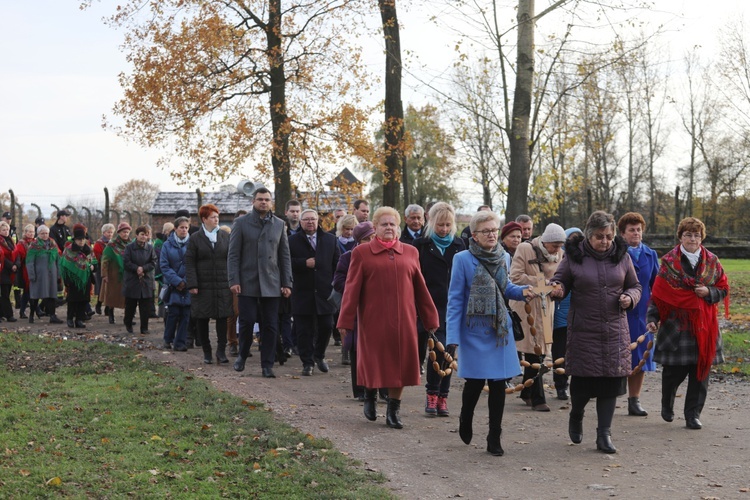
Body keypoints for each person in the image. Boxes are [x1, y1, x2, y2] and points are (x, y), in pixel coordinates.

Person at [337, 207, 439, 429]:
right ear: (375, 228)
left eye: (393, 224)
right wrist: (345, 321)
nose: (389, 228)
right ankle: (370, 395)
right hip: (373, 320)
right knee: (374, 362)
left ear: (398, 228)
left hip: (404, 321)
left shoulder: (411, 253)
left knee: (400, 366)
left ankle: (394, 409)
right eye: (384, 224)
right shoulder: (361, 253)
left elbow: (420, 288)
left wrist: (430, 318)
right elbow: (351, 289)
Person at [550, 211, 641, 454]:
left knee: (610, 383)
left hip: (614, 330)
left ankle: (604, 435)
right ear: (589, 235)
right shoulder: (574, 257)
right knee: (582, 384)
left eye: (609, 236)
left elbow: (635, 286)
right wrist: (557, 289)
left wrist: (629, 298)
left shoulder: (622, 257)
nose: (605, 241)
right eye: (600, 237)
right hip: (584, 330)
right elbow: (560, 281)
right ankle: (576, 415)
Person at [446, 210, 532, 456]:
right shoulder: (462, 259)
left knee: (498, 386)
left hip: (498, 331)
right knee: (473, 384)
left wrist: (527, 290)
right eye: (487, 231)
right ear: (474, 235)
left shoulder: (504, 257)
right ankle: (466, 417)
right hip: (473, 331)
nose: (492, 235)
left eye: (495, 230)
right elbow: (454, 300)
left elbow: (506, 288)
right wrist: (452, 337)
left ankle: (495, 436)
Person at [646, 217, 729, 430]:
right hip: (677, 326)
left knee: (700, 374)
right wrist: (653, 319)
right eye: (688, 235)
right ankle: (667, 403)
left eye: (696, 235)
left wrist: (709, 292)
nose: (693, 239)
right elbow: (659, 295)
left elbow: (723, 289)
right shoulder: (668, 262)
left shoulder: (712, 261)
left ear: (701, 237)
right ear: (680, 236)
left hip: (705, 326)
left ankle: (693, 415)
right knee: (674, 372)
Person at [227, 187, 292, 378]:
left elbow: (284, 256)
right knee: (246, 322)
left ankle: (267, 364)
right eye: (260, 199)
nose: (263, 202)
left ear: (271, 202)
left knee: (271, 325)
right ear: (253, 202)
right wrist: (234, 279)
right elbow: (233, 255)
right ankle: (242, 356)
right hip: (247, 282)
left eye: (267, 199)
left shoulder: (279, 224)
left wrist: (287, 282)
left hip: (272, 282)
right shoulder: (241, 223)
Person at [413, 202, 465, 417]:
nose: (444, 229)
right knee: (436, 352)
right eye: (440, 225)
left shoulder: (460, 245)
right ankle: (432, 394)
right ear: (432, 223)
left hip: (453, 307)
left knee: (449, 353)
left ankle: (443, 396)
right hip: (429, 306)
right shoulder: (421, 245)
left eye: (447, 225)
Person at [510, 223, 566, 412]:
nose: (557, 249)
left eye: (560, 245)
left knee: (541, 350)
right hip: (526, 306)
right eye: (554, 245)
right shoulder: (525, 249)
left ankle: (527, 392)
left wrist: (557, 288)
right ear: (546, 241)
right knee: (533, 349)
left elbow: (560, 277)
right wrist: (542, 282)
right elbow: (515, 276)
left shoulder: (560, 254)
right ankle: (538, 397)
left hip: (546, 307)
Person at [618, 212, 660, 417]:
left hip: (643, 314)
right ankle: (608, 395)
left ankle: (634, 400)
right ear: (623, 234)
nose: (636, 233)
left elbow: (657, 286)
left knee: (640, 356)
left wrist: (656, 313)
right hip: (619, 312)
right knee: (617, 354)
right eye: (631, 230)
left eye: (639, 230)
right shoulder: (615, 253)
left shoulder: (650, 255)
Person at [289, 209, 340, 375]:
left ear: (318, 221)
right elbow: (285, 263)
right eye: (306, 220)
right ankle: (307, 362)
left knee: (327, 326)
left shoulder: (330, 240)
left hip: (325, 292)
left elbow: (337, 265)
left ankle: (319, 355)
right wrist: (303, 263)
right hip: (302, 292)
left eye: (313, 219)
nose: (310, 222)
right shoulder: (291, 240)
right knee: (304, 330)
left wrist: (336, 285)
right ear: (301, 222)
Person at [333, 221, 376, 400]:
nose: (371, 241)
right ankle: (359, 390)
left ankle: (381, 389)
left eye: (373, 237)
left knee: (377, 351)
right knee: (357, 350)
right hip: (357, 309)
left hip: (376, 309)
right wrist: (355, 289)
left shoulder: (381, 255)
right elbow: (338, 280)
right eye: (367, 238)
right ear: (359, 240)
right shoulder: (348, 257)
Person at [186, 205, 234, 364]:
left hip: (222, 284)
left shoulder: (225, 237)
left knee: (222, 318)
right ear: (204, 219)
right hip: (202, 286)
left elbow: (232, 260)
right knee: (202, 318)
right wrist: (192, 284)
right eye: (213, 217)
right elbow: (190, 263)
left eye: (217, 217)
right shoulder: (195, 238)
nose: (216, 220)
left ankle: (221, 351)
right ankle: (207, 351)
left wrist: (233, 280)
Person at [550, 227, 583, 400]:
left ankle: (580, 383)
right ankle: (560, 385)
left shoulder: (585, 259)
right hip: (561, 314)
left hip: (580, 314)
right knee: (560, 351)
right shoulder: (560, 258)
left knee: (579, 351)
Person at [160, 216, 192, 351]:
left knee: (186, 315)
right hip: (172, 285)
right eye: (181, 227)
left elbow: (194, 264)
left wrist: (186, 281)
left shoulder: (193, 243)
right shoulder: (167, 245)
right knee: (173, 313)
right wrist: (177, 281)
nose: (184, 230)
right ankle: (168, 339)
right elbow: (164, 266)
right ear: (175, 228)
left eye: (186, 227)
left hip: (188, 284)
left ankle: (180, 342)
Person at [122, 225, 158, 334]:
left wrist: (144, 268)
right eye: (142, 234)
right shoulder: (129, 247)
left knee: (145, 307)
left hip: (146, 280)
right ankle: (128, 323)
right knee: (130, 305)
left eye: (146, 235)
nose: (144, 237)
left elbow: (154, 261)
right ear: (137, 235)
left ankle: (144, 327)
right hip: (133, 280)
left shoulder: (150, 248)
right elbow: (126, 262)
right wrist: (136, 268)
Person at [59, 224, 96, 329]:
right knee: (72, 300)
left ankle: (79, 319)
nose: (81, 241)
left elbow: (94, 261)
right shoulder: (69, 250)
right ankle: (70, 319)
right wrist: (66, 280)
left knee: (83, 300)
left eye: (83, 239)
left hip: (85, 279)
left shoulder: (88, 249)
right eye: (79, 239)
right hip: (73, 279)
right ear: (75, 239)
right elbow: (64, 265)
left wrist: (93, 266)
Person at [25, 225, 63, 324]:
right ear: (38, 234)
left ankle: (53, 316)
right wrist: (32, 275)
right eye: (42, 233)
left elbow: (58, 259)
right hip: (39, 275)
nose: (45, 235)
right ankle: (32, 314)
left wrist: (59, 273)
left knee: (52, 295)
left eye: (46, 233)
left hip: (51, 274)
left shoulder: (53, 243)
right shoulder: (34, 245)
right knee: (36, 295)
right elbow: (29, 262)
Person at [101, 222, 132, 325]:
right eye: (124, 232)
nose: (126, 234)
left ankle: (127, 319)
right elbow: (105, 259)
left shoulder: (131, 244)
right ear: (119, 232)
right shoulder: (112, 244)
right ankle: (111, 315)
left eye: (127, 232)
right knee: (112, 295)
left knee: (128, 297)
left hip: (127, 274)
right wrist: (104, 274)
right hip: (114, 273)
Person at [13, 224, 35, 319]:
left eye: (32, 232)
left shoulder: (36, 242)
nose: (31, 233)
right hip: (24, 270)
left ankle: (24, 312)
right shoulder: (21, 243)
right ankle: (36, 310)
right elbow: (20, 256)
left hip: (35, 269)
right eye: (29, 232)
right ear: (25, 233)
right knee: (27, 290)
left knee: (28, 292)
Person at [93, 224, 115, 316]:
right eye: (108, 232)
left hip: (112, 268)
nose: (110, 234)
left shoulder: (113, 243)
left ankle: (107, 308)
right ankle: (98, 304)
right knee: (101, 287)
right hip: (101, 267)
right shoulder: (99, 243)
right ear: (103, 232)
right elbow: (98, 255)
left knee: (110, 289)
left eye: (111, 232)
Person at [0, 221, 19, 322]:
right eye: (3, 230)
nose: (6, 231)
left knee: (6, 293)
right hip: (3, 270)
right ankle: (9, 315)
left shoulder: (11, 241)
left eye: (7, 229)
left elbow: (16, 253)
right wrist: (12, 265)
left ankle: (2, 313)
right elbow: (2, 257)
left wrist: (16, 264)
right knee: (5, 294)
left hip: (11, 271)